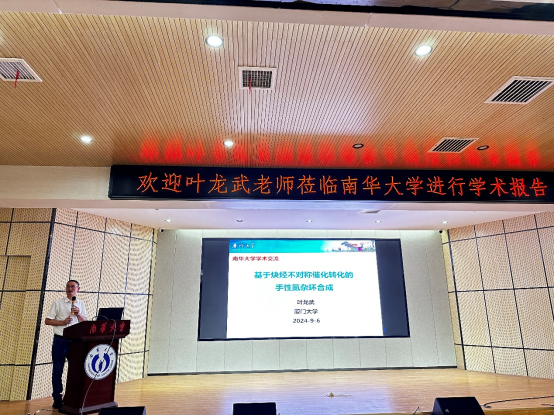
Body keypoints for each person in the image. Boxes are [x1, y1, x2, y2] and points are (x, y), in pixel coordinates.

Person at [44, 280, 88, 409]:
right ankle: (57, 398)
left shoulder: (81, 304)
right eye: (68, 286)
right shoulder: (58, 303)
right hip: (60, 340)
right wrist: (63, 322)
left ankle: (73, 396)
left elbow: (84, 321)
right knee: (58, 370)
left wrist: (78, 313)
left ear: (78, 289)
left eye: (73, 286)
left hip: (76, 341)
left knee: (76, 370)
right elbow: (47, 320)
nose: (70, 288)